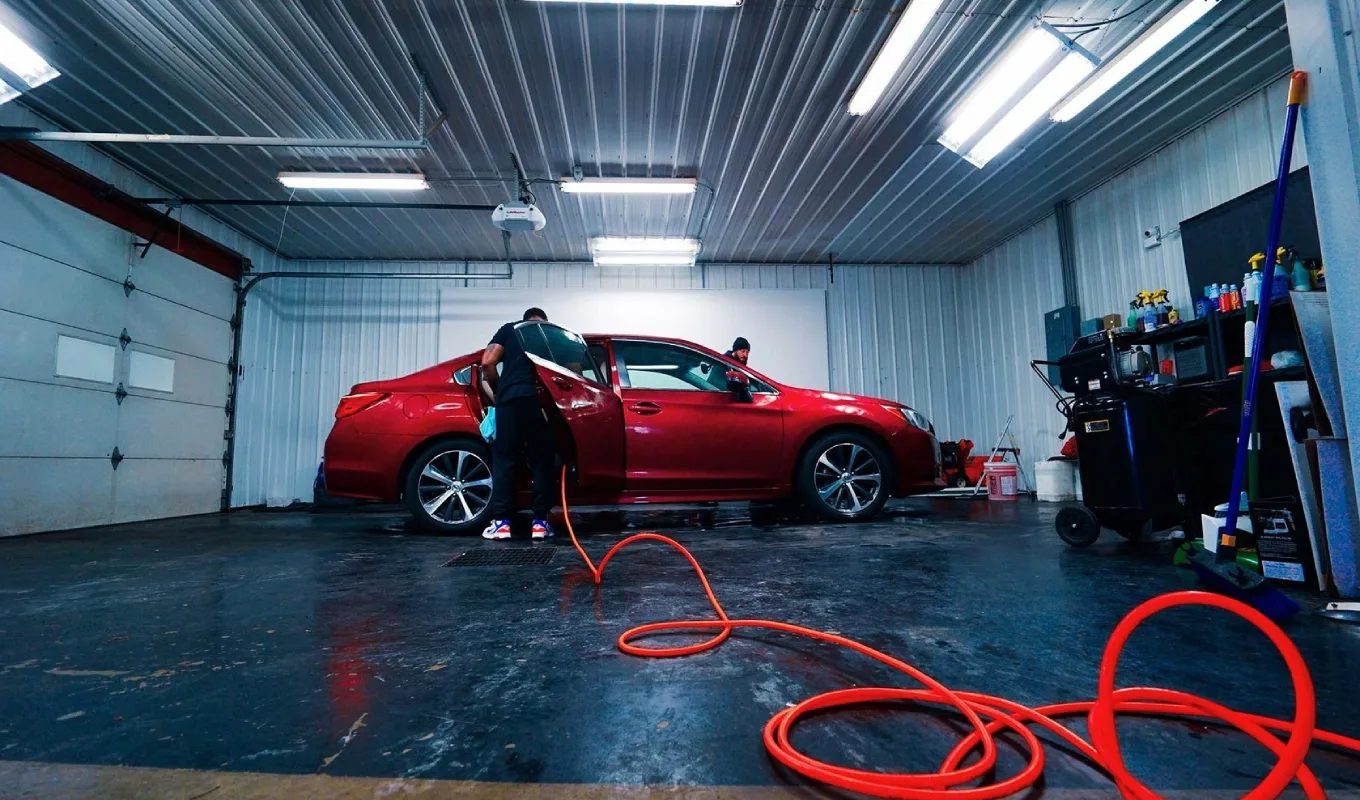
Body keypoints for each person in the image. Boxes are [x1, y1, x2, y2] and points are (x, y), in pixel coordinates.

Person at [480, 307, 556, 540]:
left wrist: (500, 391)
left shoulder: (509, 330)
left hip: (510, 402)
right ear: (544, 322)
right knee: (542, 462)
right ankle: (540, 523)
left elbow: (487, 363)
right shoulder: (550, 336)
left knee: (505, 461)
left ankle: (502, 524)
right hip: (540, 403)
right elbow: (572, 372)